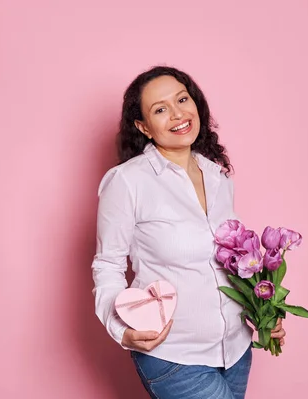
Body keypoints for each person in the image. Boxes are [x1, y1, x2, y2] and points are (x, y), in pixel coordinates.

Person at [91, 66, 286, 399]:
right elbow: (107, 265)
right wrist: (120, 329)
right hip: (174, 357)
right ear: (143, 127)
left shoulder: (218, 176)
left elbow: (231, 262)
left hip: (236, 351)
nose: (177, 113)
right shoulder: (127, 182)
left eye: (182, 99)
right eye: (160, 109)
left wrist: (263, 313)